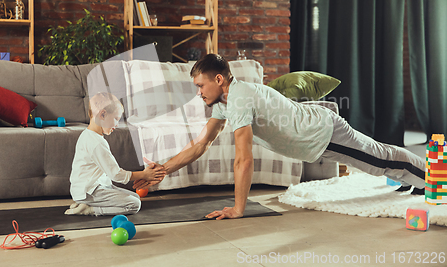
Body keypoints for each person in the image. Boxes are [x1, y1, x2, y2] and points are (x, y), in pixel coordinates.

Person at [134, 54, 426, 220]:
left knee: (379, 160)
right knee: (378, 158)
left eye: (201, 86)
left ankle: (434, 179)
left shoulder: (239, 99)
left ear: (219, 80)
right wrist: (161, 170)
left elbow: (243, 159)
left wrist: (238, 209)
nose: (199, 92)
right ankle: (414, 181)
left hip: (323, 133)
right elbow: (199, 145)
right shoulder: (225, 102)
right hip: (314, 139)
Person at [65, 92, 166, 216]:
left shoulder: (87, 135)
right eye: (116, 119)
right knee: (134, 204)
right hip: (89, 191)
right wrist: (144, 174)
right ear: (102, 114)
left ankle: (86, 203)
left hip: (92, 187)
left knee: (135, 197)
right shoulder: (96, 143)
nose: (117, 125)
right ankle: (90, 209)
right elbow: (116, 175)